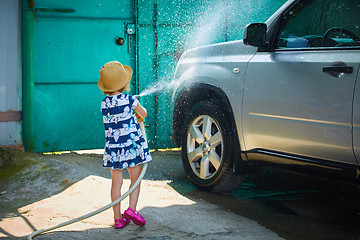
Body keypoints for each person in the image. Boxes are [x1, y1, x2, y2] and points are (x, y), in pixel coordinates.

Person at [98, 61, 152, 229]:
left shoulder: (104, 103)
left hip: (114, 149)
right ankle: (132, 210)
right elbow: (144, 114)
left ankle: (117, 219)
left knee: (116, 183)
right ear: (124, 82)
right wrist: (136, 111)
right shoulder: (130, 100)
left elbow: (115, 121)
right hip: (131, 147)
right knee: (135, 179)